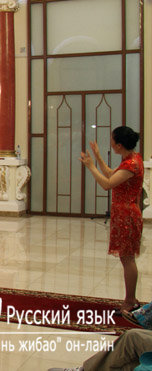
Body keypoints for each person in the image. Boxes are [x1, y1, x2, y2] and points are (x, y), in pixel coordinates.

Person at [80, 126, 144, 313]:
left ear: (119, 145)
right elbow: (110, 174)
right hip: (124, 214)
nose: (111, 143)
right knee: (127, 258)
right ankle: (130, 298)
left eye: (113, 140)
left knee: (128, 259)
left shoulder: (132, 164)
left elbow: (107, 184)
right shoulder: (131, 159)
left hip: (127, 216)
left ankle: (130, 300)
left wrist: (91, 166)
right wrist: (98, 157)